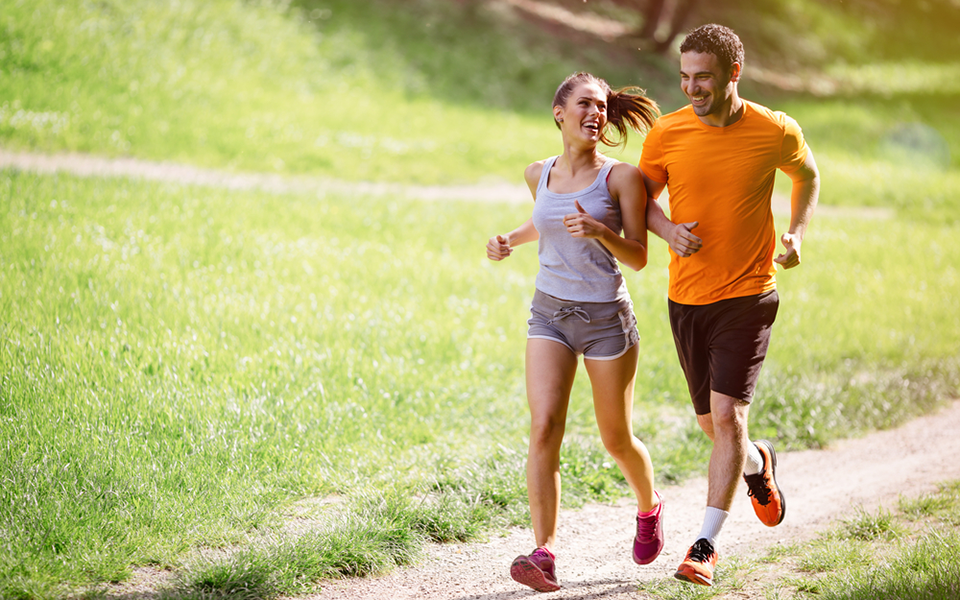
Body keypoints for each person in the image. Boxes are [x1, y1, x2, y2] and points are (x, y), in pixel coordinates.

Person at [638, 24, 821, 586]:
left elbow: (807, 175)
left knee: (726, 416)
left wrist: (796, 234)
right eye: (685, 77)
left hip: (749, 293)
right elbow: (640, 200)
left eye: (704, 77)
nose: (692, 88)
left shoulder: (774, 128)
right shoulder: (667, 133)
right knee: (712, 425)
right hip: (687, 297)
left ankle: (705, 546)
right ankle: (758, 463)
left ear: (733, 73)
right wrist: (668, 229)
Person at [486, 72, 662, 592]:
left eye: (602, 106)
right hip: (549, 314)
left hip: (606, 320)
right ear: (559, 112)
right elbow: (545, 221)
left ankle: (649, 506)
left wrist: (602, 231)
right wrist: (509, 239)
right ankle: (544, 553)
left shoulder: (621, 178)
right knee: (544, 428)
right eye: (585, 103)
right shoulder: (537, 172)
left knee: (616, 439)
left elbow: (639, 256)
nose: (596, 113)